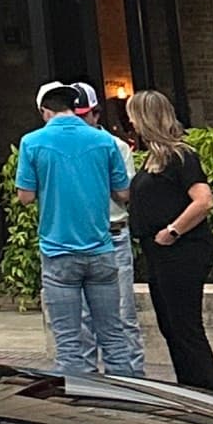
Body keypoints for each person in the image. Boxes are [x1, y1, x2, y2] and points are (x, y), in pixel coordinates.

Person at [14, 83, 144, 379]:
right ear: (75, 108)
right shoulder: (105, 142)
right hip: (101, 247)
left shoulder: (32, 142)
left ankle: (83, 402)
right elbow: (123, 193)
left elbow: (25, 197)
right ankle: (126, 395)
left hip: (58, 250)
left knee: (70, 342)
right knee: (113, 335)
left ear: (44, 111)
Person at [127, 88, 213, 391]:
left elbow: (204, 200)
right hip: (158, 254)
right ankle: (190, 388)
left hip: (181, 252)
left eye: (132, 116)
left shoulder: (180, 156)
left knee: (185, 327)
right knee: (171, 326)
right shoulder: (153, 159)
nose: (130, 123)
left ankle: (207, 393)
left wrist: (173, 230)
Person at [73, 84, 141, 338]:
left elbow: (126, 195)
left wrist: (99, 171)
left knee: (123, 315)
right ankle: (88, 377)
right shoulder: (65, 147)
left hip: (113, 234)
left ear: (96, 114)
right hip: (78, 236)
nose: (79, 122)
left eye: (84, 116)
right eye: (74, 116)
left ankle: (131, 375)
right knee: (82, 321)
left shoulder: (116, 146)